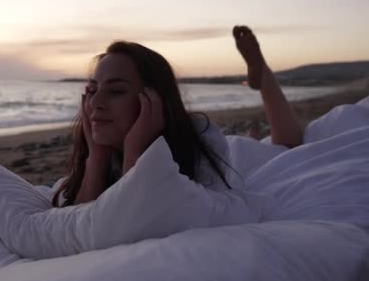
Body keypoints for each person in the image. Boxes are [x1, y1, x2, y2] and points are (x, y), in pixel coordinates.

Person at [52, 25, 303, 207]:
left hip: (234, 157)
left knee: (286, 147)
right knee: (263, 141)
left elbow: (127, 217)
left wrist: (134, 152)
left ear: (154, 100)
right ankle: (254, 134)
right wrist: (97, 155)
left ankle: (262, 73)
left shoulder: (199, 138)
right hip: (228, 150)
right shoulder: (99, 150)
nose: (95, 103)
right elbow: (79, 223)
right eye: (92, 90)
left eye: (116, 91)